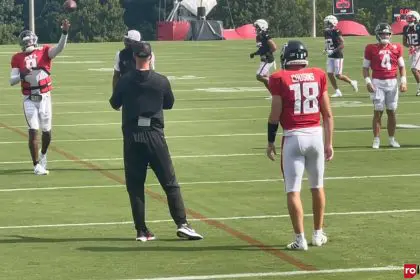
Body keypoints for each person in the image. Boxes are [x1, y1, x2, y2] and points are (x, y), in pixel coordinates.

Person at [109, 41, 203, 242]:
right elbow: (169, 103)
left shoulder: (125, 80)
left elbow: (114, 103)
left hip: (132, 136)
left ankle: (141, 230)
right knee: (170, 183)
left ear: (135, 57)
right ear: (150, 58)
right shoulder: (161, 81)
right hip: (154, 134)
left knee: (135, 186)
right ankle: (182, 223)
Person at [266, 40, 334, 251]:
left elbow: (274, 115)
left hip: (293, 137)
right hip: (315, 135)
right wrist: (329, 143)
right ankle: (317, 234)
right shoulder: (319, 74)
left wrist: (270, 141)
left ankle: (300, 239)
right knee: (317, 186)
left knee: (293, 191)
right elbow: (328, 114)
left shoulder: (279, 78)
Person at [9, 19, 70, 175]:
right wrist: (21, 76)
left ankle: (43, 154)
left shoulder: (44, 51)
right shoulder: (17, 57)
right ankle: (36, 165)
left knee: (47, 132)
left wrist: (64, 33)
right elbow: (12, 81)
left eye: (30, 39)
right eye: (26, 40)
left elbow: (59, 48)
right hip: (29, 97)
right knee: (33, 130)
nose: (29, 42)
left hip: (44, 96)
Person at [363, 23, 407, 149]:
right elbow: (365, 68)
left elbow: (402, 66)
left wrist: (403, 81)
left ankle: (391, 139)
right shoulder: (370, 48)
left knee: (392, 111)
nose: (385, 36)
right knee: (378, 112)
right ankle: (376, 139)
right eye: (382, 33)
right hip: (377, 82)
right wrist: (368, 82)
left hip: (392, 82)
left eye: (387, 33)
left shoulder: (397, 47)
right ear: (377, 34)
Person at [323, 15, 358, 97]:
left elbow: (342, 44)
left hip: (337, 56)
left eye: (327, 23)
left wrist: (333, 51)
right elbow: (327, 42)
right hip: (330, 56)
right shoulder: (326, 32)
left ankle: (352, 82)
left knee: (338, 75)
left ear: (332, 23)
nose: (326, 25)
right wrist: (325, 49)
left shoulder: (337, 31)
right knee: (329, 73)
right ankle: (337, 91)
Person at [250, 19, 277, 96]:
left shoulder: (265, 35)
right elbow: (261, 49)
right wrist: (254, 53)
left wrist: (268, 53)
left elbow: (274, 47)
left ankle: (276, 85)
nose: (256, 29)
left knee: (259, 76)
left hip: (267, 59)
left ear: (262, 27)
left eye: (257, 27)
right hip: (264, 59)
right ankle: (274, 95)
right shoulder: (258, 37)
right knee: (265, 79)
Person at [402, 11, 420, 96]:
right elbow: (404, 42)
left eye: (411, 19)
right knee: (417, 70)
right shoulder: (406, 28)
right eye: (408, 19)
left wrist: (416, 47)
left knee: (414, 69)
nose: (409, 20)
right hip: (412, 51)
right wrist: (410, 46)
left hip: (419, 50)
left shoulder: (419, 27)